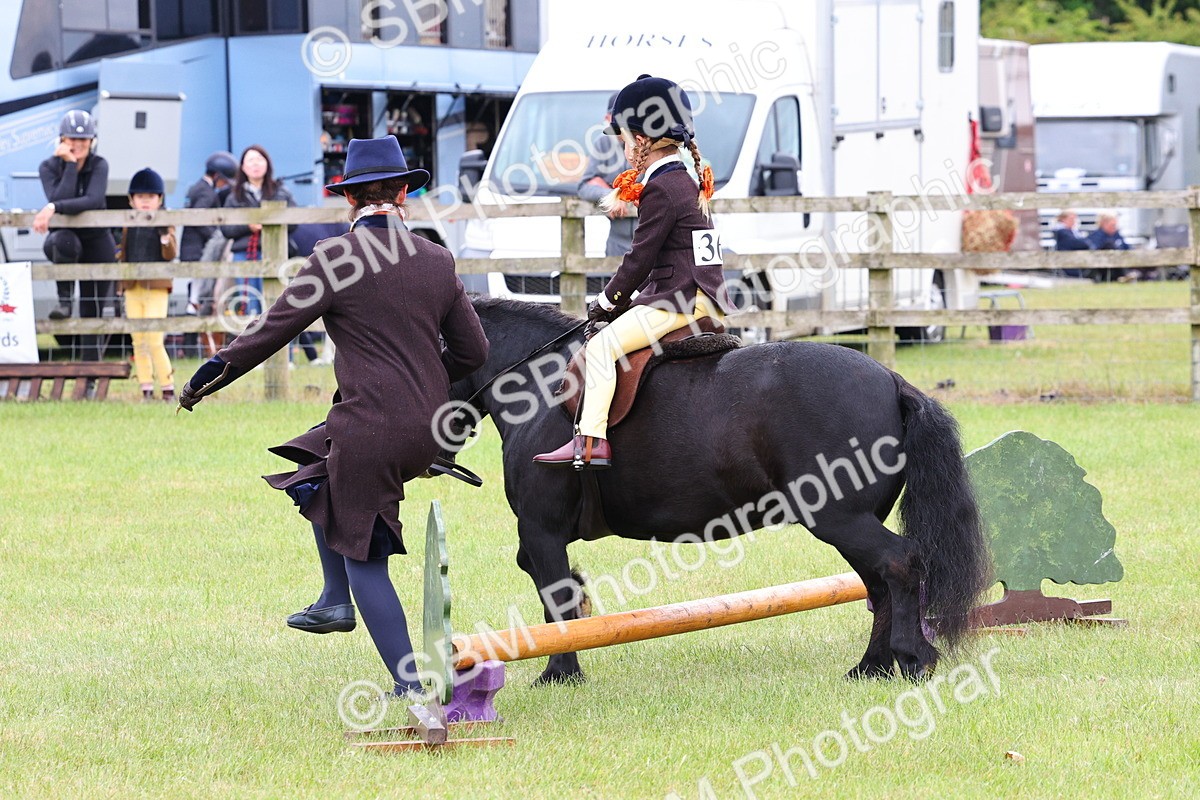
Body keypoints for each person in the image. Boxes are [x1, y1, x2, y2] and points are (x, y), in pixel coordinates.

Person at [177, 136, 489, 699]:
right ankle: (333, 598)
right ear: (403, 195)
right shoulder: (437, 259)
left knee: (365, 558)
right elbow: (475, 354)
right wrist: (424, 379)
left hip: (371, 428)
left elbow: (272, 331)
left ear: (349, 200)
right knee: (318, 461)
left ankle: (412, 684)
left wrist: (212, 373)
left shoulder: (333, 258)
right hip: (427, 430)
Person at [534, 74, 735, 468]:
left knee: (601, 347)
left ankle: (590, 442)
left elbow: (639, 258)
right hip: (695, 293)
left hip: (680, 298)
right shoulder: (683, 179)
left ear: (642, 141)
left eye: (625, 140)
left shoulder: (661, 188)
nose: (623, 149)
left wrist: (606, 301)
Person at [33, 109, 116, 361]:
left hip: (97, 241)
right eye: (72, 139)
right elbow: (59, 196)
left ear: (92, 141)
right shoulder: (48, 166)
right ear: (61, 140)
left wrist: (53, 208)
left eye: (83, 140)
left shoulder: (99, 164)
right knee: (63, 239)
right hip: (64, 240)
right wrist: (70, 165)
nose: (78, 144)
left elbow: (93, 199)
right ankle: (65, 302)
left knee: (92, 307)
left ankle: (90, 370)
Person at [117, 167, 178, 401]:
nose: (145, 202)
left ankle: (167, 386)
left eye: (150, 197)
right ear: (131, 200)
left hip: (157, 287)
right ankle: (145, 388)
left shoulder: (165, 221)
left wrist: (165, 237)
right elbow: (123, 251)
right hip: (133, 286)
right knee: (138, 340)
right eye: (140, 197)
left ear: (160, 199)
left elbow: (171, 253)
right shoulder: (127, 222)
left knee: (154, 338)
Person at [220, 145, 295, 316]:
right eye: (250, 160)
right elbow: (226, 228)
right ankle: (253, 341)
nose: (255, 164)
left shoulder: (281, 192)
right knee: (250, 303)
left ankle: (280, 342)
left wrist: (269, 225)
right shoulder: (234, 197)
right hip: (244, 253)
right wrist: (248, 225)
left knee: (277, 303)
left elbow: (294, 222)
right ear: (243, 167)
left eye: (259, 159)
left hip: (276, 251)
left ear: (267, 164)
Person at [577, 93, 636, 257]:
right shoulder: (602, 144)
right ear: (607, 118)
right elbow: (583, 187)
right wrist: (611, 195)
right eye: (617, 118)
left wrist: (608, 186)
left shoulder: (646, 143)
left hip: (649, 240)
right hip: (617, 242)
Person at [181, 151, 238, 316]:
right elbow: (199, 218)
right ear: (217, 176)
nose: (224, 185)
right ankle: (190, 336)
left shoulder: (196, 187)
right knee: (197, 295)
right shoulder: (207, 192)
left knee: (196, 292)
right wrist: (216, 236)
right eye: (224, 181)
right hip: (199, 249)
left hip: (191, 247)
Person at [1088, 213, 1132, 282]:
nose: (1115, 227)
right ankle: (1124, 275)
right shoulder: (1096, 236)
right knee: (1109, 245)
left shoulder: (1117, 235)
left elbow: (1127, 247)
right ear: (1104, 224)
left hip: (1123, 260)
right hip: (1104, 267)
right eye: (1113, 225)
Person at [1052, 210, 1092, 279]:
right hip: (1069, 263)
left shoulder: (1073, 231)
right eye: (1071, 219)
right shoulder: (1062, 232)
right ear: (1063, 219)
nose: (1074, 221)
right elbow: (1079, 244)